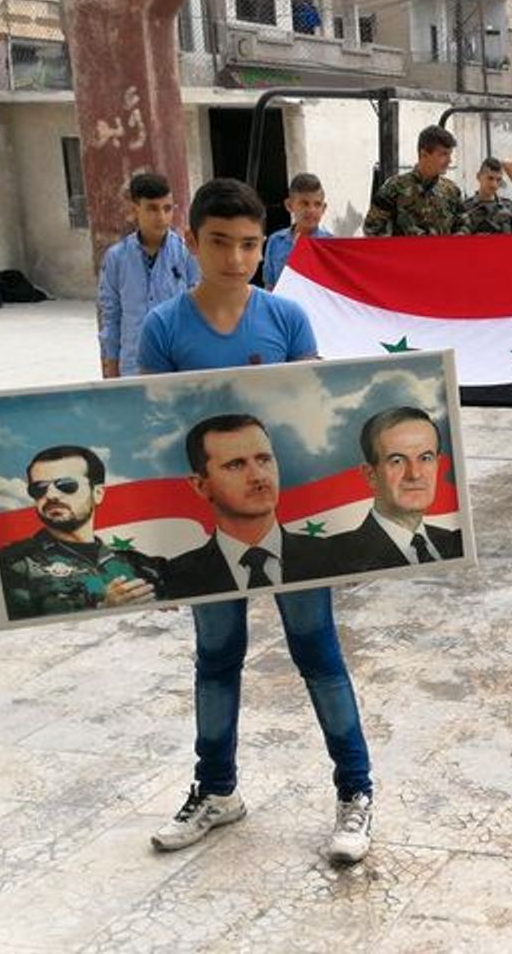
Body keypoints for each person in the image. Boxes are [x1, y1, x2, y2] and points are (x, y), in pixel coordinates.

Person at [137, 178, 375, 865]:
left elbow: (311, 416)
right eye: (221, 243)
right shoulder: (164, 328)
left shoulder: (287, 319)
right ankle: (217, 791)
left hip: (289, 522)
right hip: (207, 530)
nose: (237, 259)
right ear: (192, 241)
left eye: (248, 244)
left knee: (318, 653)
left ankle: (355, 792)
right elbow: (151, 428)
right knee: (216, 658)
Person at [161, 415, 336, 598]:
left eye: (263, 459)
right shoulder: (174, 579)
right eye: (235, 465)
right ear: (201, 486)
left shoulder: (334, 557)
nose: (258, 476)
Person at [0, 445, 162, 620]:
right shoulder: (8, 565)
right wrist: (104, 612)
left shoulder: (143, 566)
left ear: (97, 493)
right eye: (39, 488)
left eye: (66, 485)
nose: (51, 495)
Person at [329, 407, 464, 570]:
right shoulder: (332, 557)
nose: (414, 474)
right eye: (397, 461)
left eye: (426, 458)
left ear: (438, 465)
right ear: (370, 475)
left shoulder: (458, 542)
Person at [99, 173, 197, 378]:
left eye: (167, 209)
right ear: (135, 209)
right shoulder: (116, 257)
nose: (161, 217)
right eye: (152, 209)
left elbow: (198, 307)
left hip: (178, 361)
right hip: (133, 364)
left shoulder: (186, 253)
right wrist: (111, 368)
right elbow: (111, 316)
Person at [362, 125, 463, 237]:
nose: (449, 160)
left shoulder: (451, 191)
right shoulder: (395, 188)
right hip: (403, 254)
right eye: (443, 154)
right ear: (423, 154)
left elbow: (462, 226)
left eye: (449, 154)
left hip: (442, 254)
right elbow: (372, 228)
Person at [262, 173, 331, 289]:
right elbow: (269, 285)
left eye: (317, 204)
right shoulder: (275, 241)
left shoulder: (330, 244)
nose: (311, 210)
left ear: (324, 208)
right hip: (281, 306)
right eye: (304, 204)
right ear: (289, 205)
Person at [459, 157, 512, 235]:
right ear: (479, 176)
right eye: (490, 178)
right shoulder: (465, 207)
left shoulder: (509, 207)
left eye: (498, 180)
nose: (494, 184)